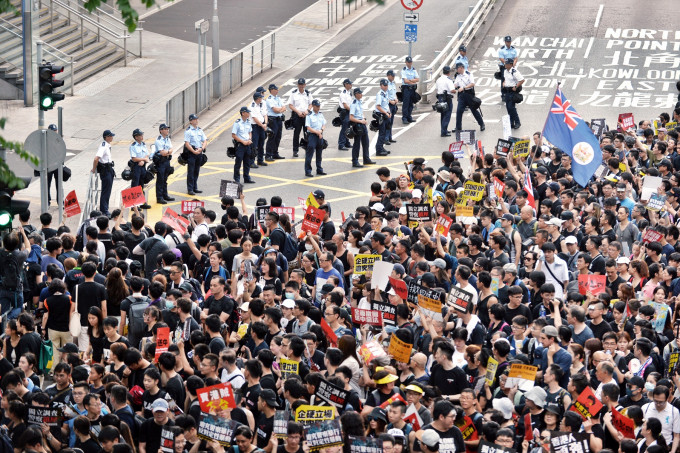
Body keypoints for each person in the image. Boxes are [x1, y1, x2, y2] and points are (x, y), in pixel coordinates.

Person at [453, 62, 485, 132]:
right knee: (459, 111)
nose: (456, 70)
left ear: (461, 68)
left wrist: (464, 88)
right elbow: (455, 84)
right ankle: (458, 127)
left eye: (457, 68)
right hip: (461, 95)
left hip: (469, 94)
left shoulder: (469, 74)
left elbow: (472, 84)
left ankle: (481, 124)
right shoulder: (457, 76)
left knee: (474, 110)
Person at [349, 88, 375, 168]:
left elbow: (361, 112)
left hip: (362, 124)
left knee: (366, 142)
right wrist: (360, 121)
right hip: (357, 125)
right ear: (356, 94)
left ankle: (366, 159)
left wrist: (363, 118)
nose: (361, 94)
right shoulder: (353, 104)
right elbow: (351, 117)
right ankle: (355, 161)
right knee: (357, 144)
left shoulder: (359, 102)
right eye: (360, 93)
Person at [288, 78, 313, 158]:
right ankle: (295, 150)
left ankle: (307, 149)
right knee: (296, 134)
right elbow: (291, 105)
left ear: (305, 85)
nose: (301, 86)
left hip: (306, 116)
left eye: (302, 84)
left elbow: (311, 104)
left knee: (307, 133)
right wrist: (298, 112)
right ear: (298, 85)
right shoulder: (294, 93)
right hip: (297, 116)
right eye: (300, 84)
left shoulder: (308, 93)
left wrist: (307, 111)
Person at [92, 129, 115, 215]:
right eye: (111, 136)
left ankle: (105, 208)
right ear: (107, 137)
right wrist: (94, 169)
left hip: (109, 168)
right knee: (106, 190)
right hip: (105, 170)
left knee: (108, 190)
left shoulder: (107, 145)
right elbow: (96, 158)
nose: (112, 137)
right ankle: (104, 210)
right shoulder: (103, 146)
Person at [184, 113, 207, 196]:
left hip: (199, 152)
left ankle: (195, 187)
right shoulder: (188, 131)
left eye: (197, 119)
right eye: (194, 119)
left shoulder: (200, 130)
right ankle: (190, 189)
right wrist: (194, 151)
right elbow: (187, 144)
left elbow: (204, 140)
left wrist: (202, 148)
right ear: (190, 121)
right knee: (191, 171)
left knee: (197, 170)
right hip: (192, 153)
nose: (196, 120)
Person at [129, 128, 152, 210]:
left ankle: (142, 202)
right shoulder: (133, 146)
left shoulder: (143, 144)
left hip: (143, 167)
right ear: (136, 137)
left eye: (142, 135)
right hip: (136, 167)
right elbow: (134, 158)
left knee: (141, 185)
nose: (142, 136)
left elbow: (146, 154)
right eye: (140, 135)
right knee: (135, 186)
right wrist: (142, 160)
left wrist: (144, 160)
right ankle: (133, 205)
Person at [232, 106, 256, 185]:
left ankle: (247, 178)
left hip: (248, 144)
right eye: (247, 112)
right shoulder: (237, 123)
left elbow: (250, 132)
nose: (248, 113)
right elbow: (234, 135)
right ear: (243, 113)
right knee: (238, 163)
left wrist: (249, 139)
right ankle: (237, 179)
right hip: (240, 145)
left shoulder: (248, 122)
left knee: (247, 162)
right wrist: (243, 141)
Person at [304, 99, 327, 177]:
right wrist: (317, 132)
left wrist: (321, 130)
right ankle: (308, 171)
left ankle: (319, 169)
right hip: (312, 136)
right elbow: (308, 127)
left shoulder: (320, 114)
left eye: (319, 106)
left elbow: (324, 124)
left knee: (319, 154)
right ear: (313, 106)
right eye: (317, 106)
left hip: (319, 135)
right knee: (309, 154)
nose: (318, 108)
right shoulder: (309, 115)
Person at [153, 123, 174, 204]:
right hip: (161, 162)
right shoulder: (158, 140)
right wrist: (168, 152)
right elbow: (162, 153)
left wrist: (168, 152)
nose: (167, 130)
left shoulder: (167, 139)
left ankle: (165, 195)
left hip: (167, 161)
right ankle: (159, 197)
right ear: (161, 130)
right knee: (160, 180)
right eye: (165, 129)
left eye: (167, 129)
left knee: (165, 179)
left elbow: (171, 149)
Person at [501, 58, 524, 129]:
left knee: (512, 107)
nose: (505, 64)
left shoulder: (514, 71)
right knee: (508, 108)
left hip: (512, 91)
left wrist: (516, 87)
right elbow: (505, 79)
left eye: (507, 63)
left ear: (511, 65)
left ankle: (517, 122)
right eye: (505, 63)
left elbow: (522, 80)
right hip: (507, 91)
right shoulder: (505, 71)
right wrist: (504, 83)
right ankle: (511, 122)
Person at [265, 83, 286, 161]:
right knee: (272, 137)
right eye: (275, 89)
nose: (277, 90)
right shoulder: (269, 99)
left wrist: (280, 109)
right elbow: (275, 110)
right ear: (271, 90)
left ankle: (275, 153)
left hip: (279, 119)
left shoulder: (278, 98)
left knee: (278, 137)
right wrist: (280, 109)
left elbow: (284, 107)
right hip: (272, 120)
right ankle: (268, 155)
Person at [373, 79, 392, 157]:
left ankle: (381, 148)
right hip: (381, 115)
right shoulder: (380, 94)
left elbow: (386, 105)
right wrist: (385, 113)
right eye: (384, 85)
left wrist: (389, 112)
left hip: (385, 114)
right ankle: (379, 150)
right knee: (381, 133)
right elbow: (378, 106)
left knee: (384, 132)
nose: (386, 87)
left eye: (386, 85)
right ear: (381, 86)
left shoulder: (385, 93)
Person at [435, 66, 455, 137]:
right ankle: (444, 132)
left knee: (443, 115)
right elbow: (452, 90)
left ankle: (444, 129)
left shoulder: (438, 79)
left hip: (440, 98)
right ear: (449, 72)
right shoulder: (448, 80)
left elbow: (437, 88)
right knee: (447, 115)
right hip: (447, 98)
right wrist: (457, 90)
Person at [250, 91, 268, 168]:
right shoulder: (252, 106)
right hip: (255, 127)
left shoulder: (261, 104)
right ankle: (251, 161)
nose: (261, 99)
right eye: (260, 98)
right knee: (254, 145)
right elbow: (255, 118)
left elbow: (265, 114)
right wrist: (262, 125)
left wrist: (265, 123)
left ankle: (260, 160)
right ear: (257, 99)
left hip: (262, 125)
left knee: (261, 143)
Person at [401, 56, 419, 124]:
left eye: (410, 62)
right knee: (406, 103)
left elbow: (417, 79)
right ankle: (404, 118)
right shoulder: (404, 70)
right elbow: (405, 81)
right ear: (406, 62)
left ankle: (409, 117)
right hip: (406, 88)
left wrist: (411, 80)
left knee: (411, 103)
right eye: (408, 62)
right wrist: (413, 81)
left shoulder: (413, 69)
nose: (409, 63)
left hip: (412, 89)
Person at [337, 78, 353, 150]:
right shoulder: (343, 94)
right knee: (344, 128)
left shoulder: (349, 92)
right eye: (349, 84)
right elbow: (345, 105)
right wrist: (353, 111)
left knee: (348, 128)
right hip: (345, 112)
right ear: (346, 84)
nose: (351, 85)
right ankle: (341, 144)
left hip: (348, 111)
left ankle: (347, 143)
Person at [385, 70, 398, 144]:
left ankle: (390, 137)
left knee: (391, 122)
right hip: (388, 104)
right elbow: (385, 95)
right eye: (392, 76)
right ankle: (386, 138)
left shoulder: (393, 83)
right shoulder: (386, 84)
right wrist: (390, 101)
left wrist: (396, 99)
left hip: (393, 104)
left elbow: (394, 93)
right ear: (388, 76)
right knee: (388, 122)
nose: (393, 77)